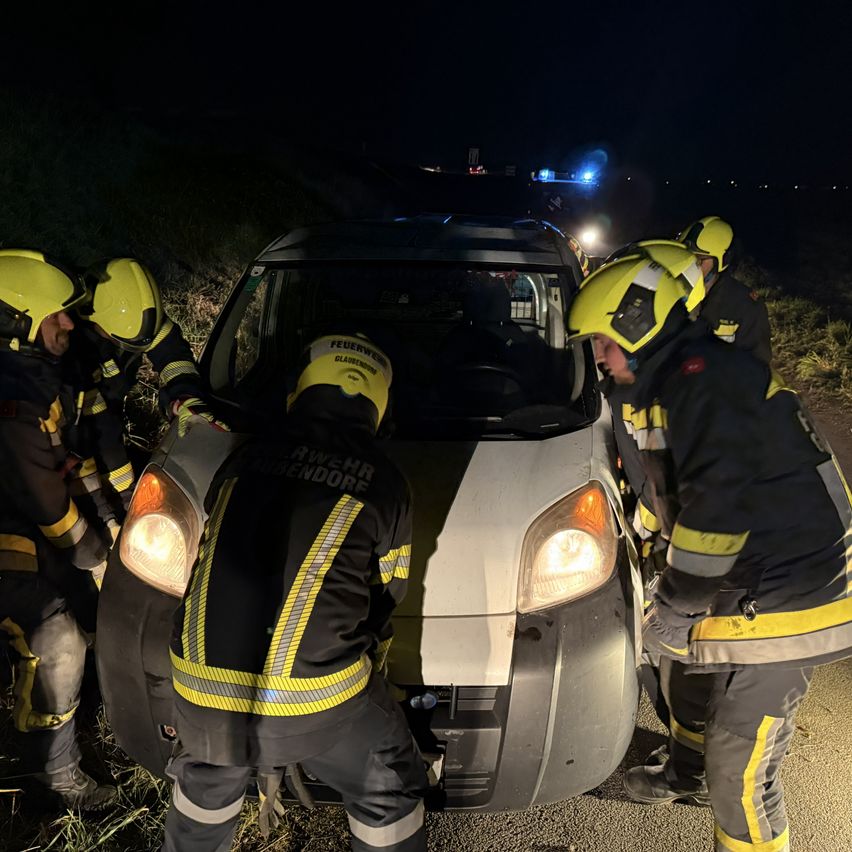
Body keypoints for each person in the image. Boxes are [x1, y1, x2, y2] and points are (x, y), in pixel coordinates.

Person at [567, 255, 852, 852]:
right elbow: (674, 492)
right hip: (753, 575)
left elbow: (715, 513)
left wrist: (676, 601)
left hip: (793, 595)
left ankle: (722, 799)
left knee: (740, 770)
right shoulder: (678, 382)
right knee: (685, 677)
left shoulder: (705, 381)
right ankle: (681, 775)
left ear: (637, 324)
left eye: (601, 341)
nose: (597, 356)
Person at [160, 333, 429, 852]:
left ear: (299, 391)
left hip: (198, 689)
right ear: (378, 408)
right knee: (388, 787)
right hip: (317, 699)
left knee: (204, 789)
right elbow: (388, 594)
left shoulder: (242, 459)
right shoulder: (385, 481)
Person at [0, 249, 118, 809]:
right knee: (59, 639)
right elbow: (51, 510)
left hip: (17, 538)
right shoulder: (14, 403)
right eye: (57, 315)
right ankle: (52, 774)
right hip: (14, 544)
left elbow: (67, 465)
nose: (69, 323)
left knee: (86, 600)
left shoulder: (37, 385)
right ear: (18, 323)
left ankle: (90, 710)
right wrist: (99, 555)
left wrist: (114, 526)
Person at [71, 258, 227, 518]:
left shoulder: (138, 318)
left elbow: (174, 357)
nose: (135, 349)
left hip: (108, 424)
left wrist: (186, 396)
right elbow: (102, 429)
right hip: (72, 437)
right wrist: (127, 497)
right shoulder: (75, 345)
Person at [679, 216, 772, 364]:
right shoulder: (667, 292)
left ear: (722, 261)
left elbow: (757, 367)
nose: (690, 266)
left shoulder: (745, 306)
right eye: (684, 257)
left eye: (699, 260)